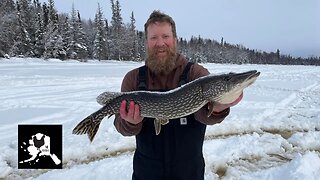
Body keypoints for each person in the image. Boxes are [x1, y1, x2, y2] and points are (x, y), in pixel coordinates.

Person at [114, 10, 242, 180]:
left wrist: (218, 109)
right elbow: (120, 125)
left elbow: (204, 116)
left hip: (189, 172)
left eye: (165, 36)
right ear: (147, 42)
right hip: (146, 173)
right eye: (153, 38)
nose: (160, 43)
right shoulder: (134, 79)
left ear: (175, 39)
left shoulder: (195, 73)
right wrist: (130, 122)